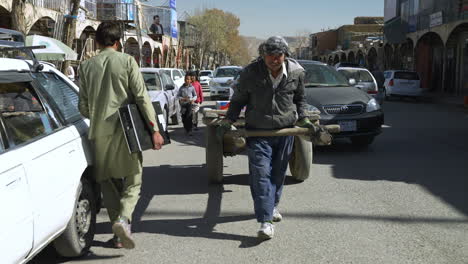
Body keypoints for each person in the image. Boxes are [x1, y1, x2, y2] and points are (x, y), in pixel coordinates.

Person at [78, 22, 165, 250]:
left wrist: (99, 112)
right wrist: (154, 129)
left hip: (98, 134)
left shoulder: (86, 67)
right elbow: (141, 97)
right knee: (133, 180)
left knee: (108, 184)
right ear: (117, 42)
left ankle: (118, 237)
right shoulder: (127, 61)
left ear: (97, 42)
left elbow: (83, 108)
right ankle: (123, 220)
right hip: (127, 132)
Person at [226, 36, 313, 240]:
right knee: (260, 173)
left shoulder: (296, 73)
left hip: (285, 131)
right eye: (270, 55)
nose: (274, 59)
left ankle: (272, 206)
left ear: (285, 55)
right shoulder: (250, 73)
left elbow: (300, 99)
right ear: (263, 56)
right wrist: (228, 119)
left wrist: (305, 118)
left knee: (278, 173)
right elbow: (238, 99)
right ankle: (266, 221)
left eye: (278, 55)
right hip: (258, 131)